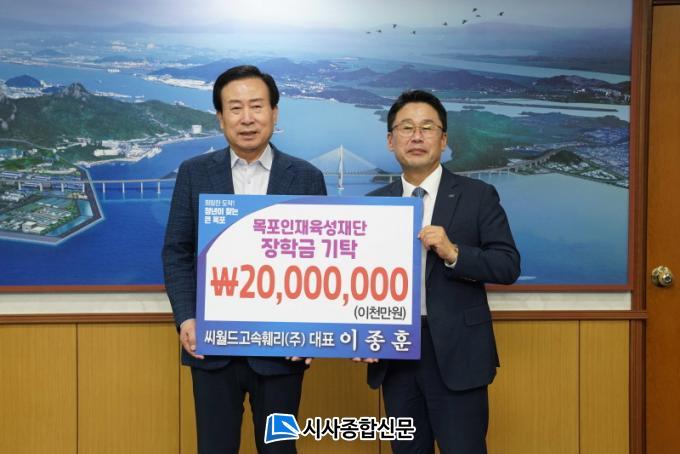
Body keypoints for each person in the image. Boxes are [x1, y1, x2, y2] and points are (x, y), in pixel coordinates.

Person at [162, 65, 326, 454]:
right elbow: (177, 251)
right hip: (211, 350)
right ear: (220, 117)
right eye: (235, 108)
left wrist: (311, 330)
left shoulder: (306, 177)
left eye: (257, 106)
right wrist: (187, 318)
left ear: (275, 113)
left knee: (280, 449)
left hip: (282, 352)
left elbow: (321, 264)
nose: (247, 118)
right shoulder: (194, 173)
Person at [364, 90, 520, 454]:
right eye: (406, 128)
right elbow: (358, 283)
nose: (416, 137)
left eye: (427, 127)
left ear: (444, 139)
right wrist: (359, 336)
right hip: (395, 353)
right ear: (391, 140)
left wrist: (454, 253)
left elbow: (507, 264)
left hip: (457, 353)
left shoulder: (478, 195)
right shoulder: (373, 204)